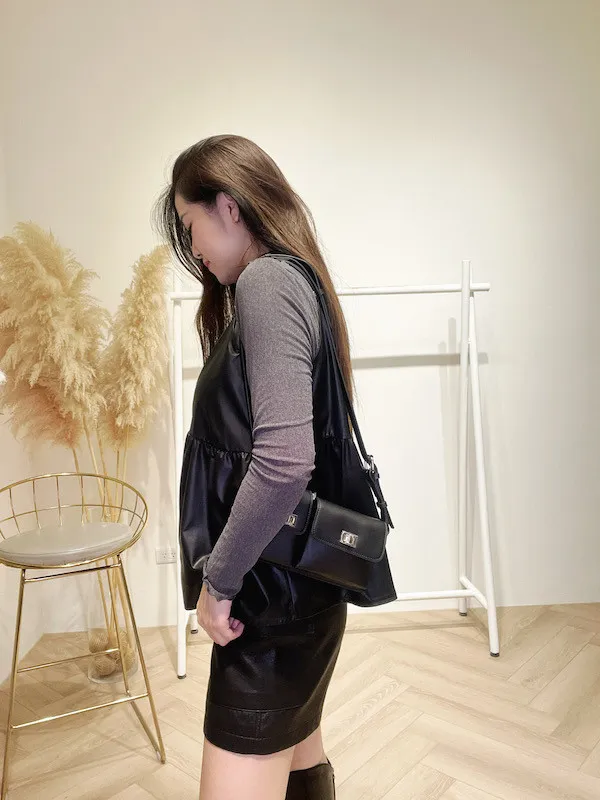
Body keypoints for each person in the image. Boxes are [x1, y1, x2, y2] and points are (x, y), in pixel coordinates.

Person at [158, 135, 396, 800]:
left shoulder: (267, 283)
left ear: (228, 207)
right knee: (297, 759)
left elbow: (285, 464)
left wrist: (219, 582)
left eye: (190, 224)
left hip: (269, 606)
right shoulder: (289, 281)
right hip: (293, 594)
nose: (193, 248)